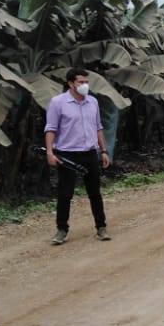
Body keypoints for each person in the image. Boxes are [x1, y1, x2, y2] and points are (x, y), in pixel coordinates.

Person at [44, 68, 111, 244]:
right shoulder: (58, 102)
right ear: (70, 83)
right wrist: (50, 152)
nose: (85, 85)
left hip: (90, 153)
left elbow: (98, 127)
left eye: (86, 82)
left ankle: (101, 227)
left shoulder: (93, 102)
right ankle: (61, 230)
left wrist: (104, 150)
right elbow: (51, 129)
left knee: (95, 192)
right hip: (67, 154)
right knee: (65, 193)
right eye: (81, 82)